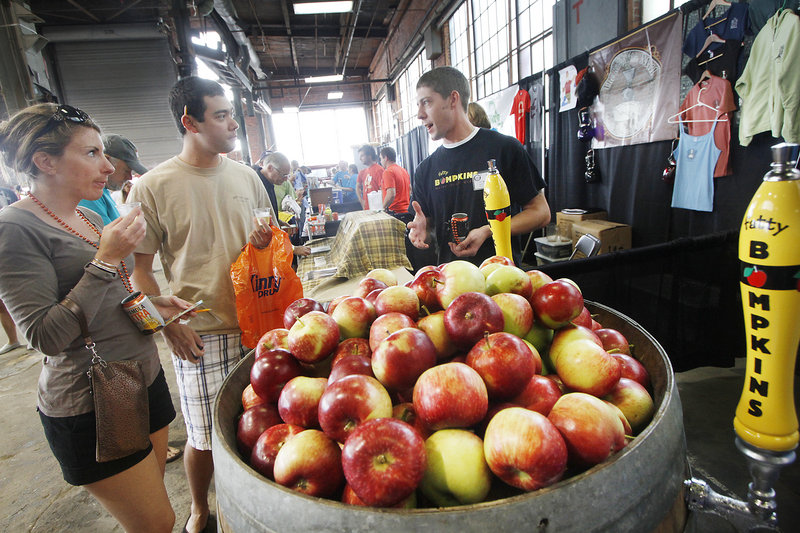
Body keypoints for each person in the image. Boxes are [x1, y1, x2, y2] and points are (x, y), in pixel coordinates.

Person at [0, 103, 199, 532]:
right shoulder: (15, 228)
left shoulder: (89, 217)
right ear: (44, 161)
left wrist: (155, 308)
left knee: (153, 509)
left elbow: (110, 300)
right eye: (91, 154)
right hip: (94, 399)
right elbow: (45, 335)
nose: (108, 166)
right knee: (157, 522)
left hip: (141, 377)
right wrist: (107, 260)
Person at [127, 76, 274, 533]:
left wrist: (266, 243)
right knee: (204, 437)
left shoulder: (247, 177)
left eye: (232, 113)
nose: (234, 124)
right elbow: (138, 271)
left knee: (259, 426)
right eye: (222, 115)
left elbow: (266, 250)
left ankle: (249, 507)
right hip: (201, 333)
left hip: (259, 328)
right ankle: (199, 509)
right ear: (189, 121)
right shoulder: (152, 187)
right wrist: (164, 324)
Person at [408, 66, 551, 266]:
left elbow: (541, 212)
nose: (420, 114)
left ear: (453, 99)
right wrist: (422, 231)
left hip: (503, 282)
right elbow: (430, 229)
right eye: (418, 105)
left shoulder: (504, 148)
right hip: (452, 286)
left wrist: (488, 230)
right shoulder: (425, 169)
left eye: (427, 102)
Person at [78, 134, 147, 224]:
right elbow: (102, 236)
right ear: (107, 161)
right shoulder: (89, 194)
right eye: (126, 171)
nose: (129, 177)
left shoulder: (102, 192)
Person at [252, 151, 310, 257]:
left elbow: (265, 214)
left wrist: (278, 221)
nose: (285, 179)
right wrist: (292, 248)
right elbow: (261, 224)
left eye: (287, 175)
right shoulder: (257, 184)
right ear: (270, 168)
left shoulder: (269, 183)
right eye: (283, 175)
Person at [378, 146, 411, 223]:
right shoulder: (403, 170)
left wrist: (382, 209)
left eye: (381, 159)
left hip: (395, 213)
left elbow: (391, 194)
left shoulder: (388, 172)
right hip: (406, 212)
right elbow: (410, 189)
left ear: (385, 158)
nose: (380, 161)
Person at [356, 144, 384, 209]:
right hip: (367, 208)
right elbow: (357, 186)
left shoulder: (379, 170)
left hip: (377, 208)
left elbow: (383, 189)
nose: (360, 159)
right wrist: (361, 200)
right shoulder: (362, 172)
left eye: (362, 156)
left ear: (369, 155)